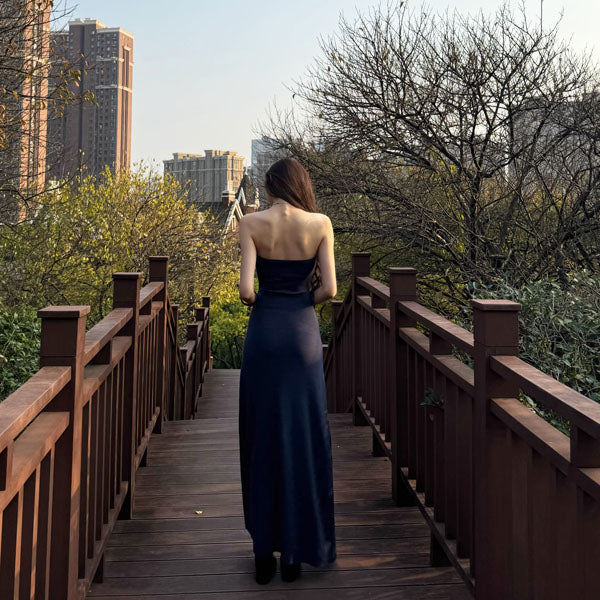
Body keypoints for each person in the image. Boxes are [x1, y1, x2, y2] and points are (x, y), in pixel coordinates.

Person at [237, 158, 338, 585]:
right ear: (301, 184)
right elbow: (330, 289)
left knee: (261, 436)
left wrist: (269, 301)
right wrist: (298, 303)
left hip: (264, 336)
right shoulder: (320, 223)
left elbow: (245, 291)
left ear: (270, 185)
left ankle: (264, 554)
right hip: (302, 337)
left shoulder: (251, 223)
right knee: (303, 436)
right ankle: (294, 554)